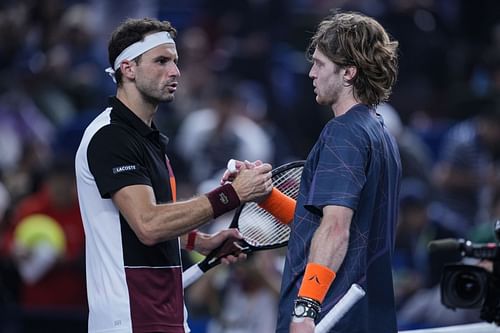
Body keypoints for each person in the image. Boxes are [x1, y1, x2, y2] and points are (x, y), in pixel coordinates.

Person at [74, 18, 273, 333]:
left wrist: (200, 241)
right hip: (129, 318)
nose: (175, 71)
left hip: (163, 315)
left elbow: (137, 221)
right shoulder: (111, 136)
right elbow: (149, 225)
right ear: (128, 68)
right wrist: (231, 195)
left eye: (176, 62)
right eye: (162, 61)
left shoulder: (145, 138)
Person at [276, 11, 401, 333]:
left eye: (319, 64)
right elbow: (320, 223)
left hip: (330, 317)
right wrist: (266, 197)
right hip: (366, 316)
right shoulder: (378, 130)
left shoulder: (342, 133)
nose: (311, 74)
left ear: (348, 72)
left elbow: (335, 229)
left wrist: (305, 310)